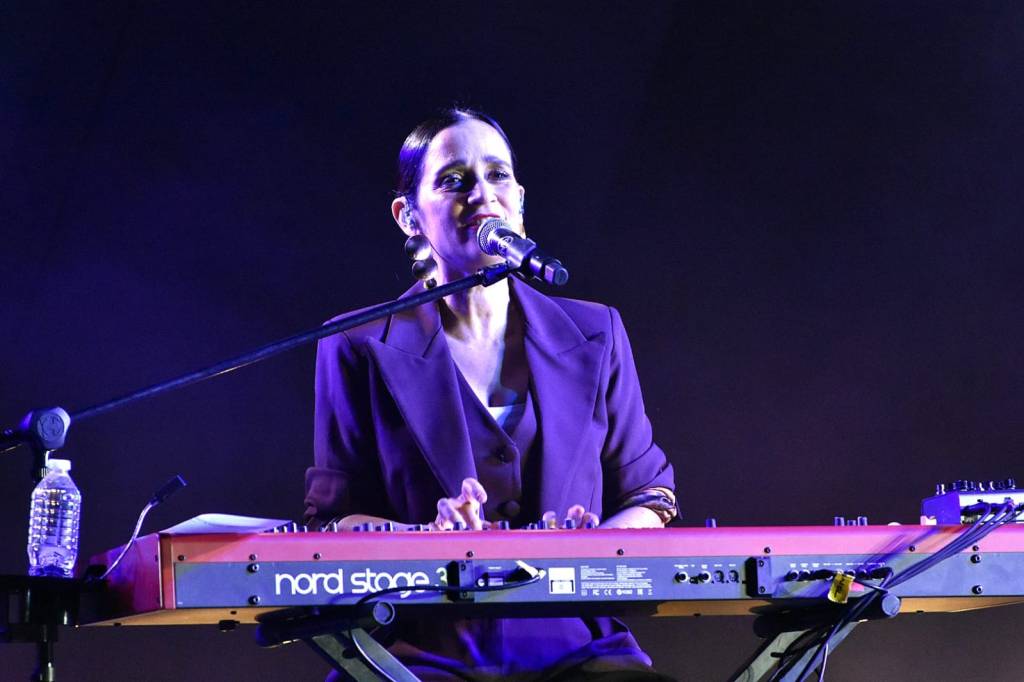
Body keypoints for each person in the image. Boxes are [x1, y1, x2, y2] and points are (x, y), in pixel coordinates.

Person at [304, 107, 677, 681]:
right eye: (454, 180)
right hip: (420, 652)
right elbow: (331, 524)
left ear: (519, 201)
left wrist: (590, 550)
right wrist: (424, 540)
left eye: (497, 175)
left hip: (580, 647)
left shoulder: (596, 332)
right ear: (407, 216)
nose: (482, 194)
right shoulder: (357, 344)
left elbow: (651, 495)